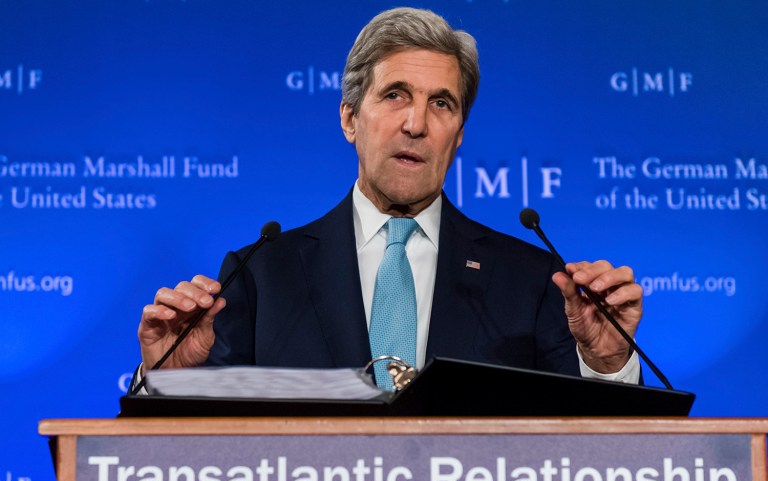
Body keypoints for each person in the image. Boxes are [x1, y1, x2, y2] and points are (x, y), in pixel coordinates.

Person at [135, 8, 642, 391]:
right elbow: (205, 460)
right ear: (350, 118)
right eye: (395, 95)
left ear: (458, 136)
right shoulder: (262, 276)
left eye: (440, 103)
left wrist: (606, 364)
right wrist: (167, 383)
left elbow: (584, 459)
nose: (416, 124)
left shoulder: (533, 281)